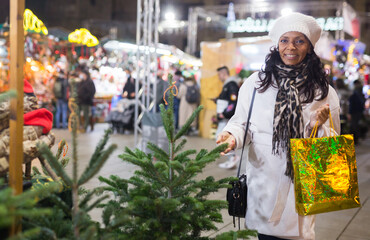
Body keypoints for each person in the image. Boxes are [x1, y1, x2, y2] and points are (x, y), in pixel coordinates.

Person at [216, 13, 340, 239]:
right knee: (263, 235)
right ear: (276, 45)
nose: (290, 47)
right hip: (264, 181)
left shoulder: (323, 92)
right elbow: (242, 121)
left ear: (309, 48)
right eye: (285, 40)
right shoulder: (256, 83)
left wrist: (317, 127)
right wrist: (232, 136)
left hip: (300, 185)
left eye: (299, 41)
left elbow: (331, 147)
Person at [215, 66, 240, 169]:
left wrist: (225, 114)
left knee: (222, 138)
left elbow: (233, 101)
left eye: (219, 74)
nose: (218, 77)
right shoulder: (228, 84)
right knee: (220, 138)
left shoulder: (231, 84)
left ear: (223, 73)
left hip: (227, 118)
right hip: (225, 118)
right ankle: (231, 158)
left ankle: (233, 157)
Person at [348, 80, 365, 145]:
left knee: (354, 125)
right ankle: (356, 139)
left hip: (354, 111)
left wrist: (349, 112)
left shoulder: (355, 91)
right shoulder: (359, 90)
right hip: (358, 110)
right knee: (355, 124)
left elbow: (352, 103)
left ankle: (355, 139)